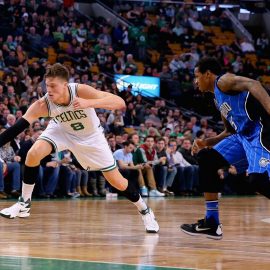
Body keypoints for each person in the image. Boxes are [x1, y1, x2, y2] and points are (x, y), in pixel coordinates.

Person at [0, 63, 159, 233]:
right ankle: (24, 203)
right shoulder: (43, 104)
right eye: (47, 85)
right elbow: (15, 129)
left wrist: (88, 103)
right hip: (61, 130)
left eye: (53, 86)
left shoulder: (80, 91)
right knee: (33, 153)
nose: (49, 90)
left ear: (65, 85)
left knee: (117, 182)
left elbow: (119, 103)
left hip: (91, 137)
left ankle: (145, 210)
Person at [181, 57, 270, 240]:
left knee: (258, 181)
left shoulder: (223, 81)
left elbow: (254, 84)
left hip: (259, 128)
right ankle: (211, 223)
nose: (195, 82)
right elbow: (229, 131)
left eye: (197, 76)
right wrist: (206, 143)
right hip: (242, 136)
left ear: (208, 74)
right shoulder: (217, 99)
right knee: (207, 159)